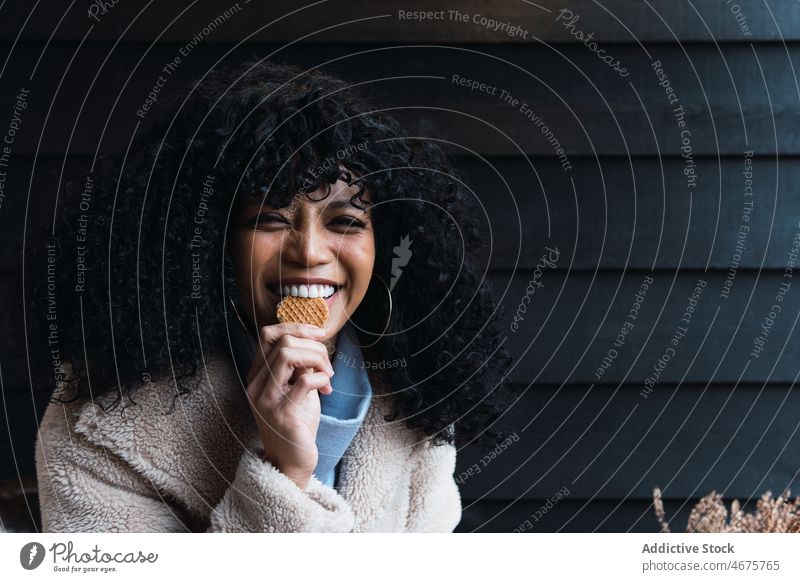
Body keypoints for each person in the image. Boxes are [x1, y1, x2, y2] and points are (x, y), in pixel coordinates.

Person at [30, 59, 513, 532]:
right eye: (269, 219)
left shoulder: (415, 395)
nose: (308, 253)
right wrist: (285, 474)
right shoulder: (103, 421)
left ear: (381, 247)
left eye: (345, 221)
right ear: (209, 242)